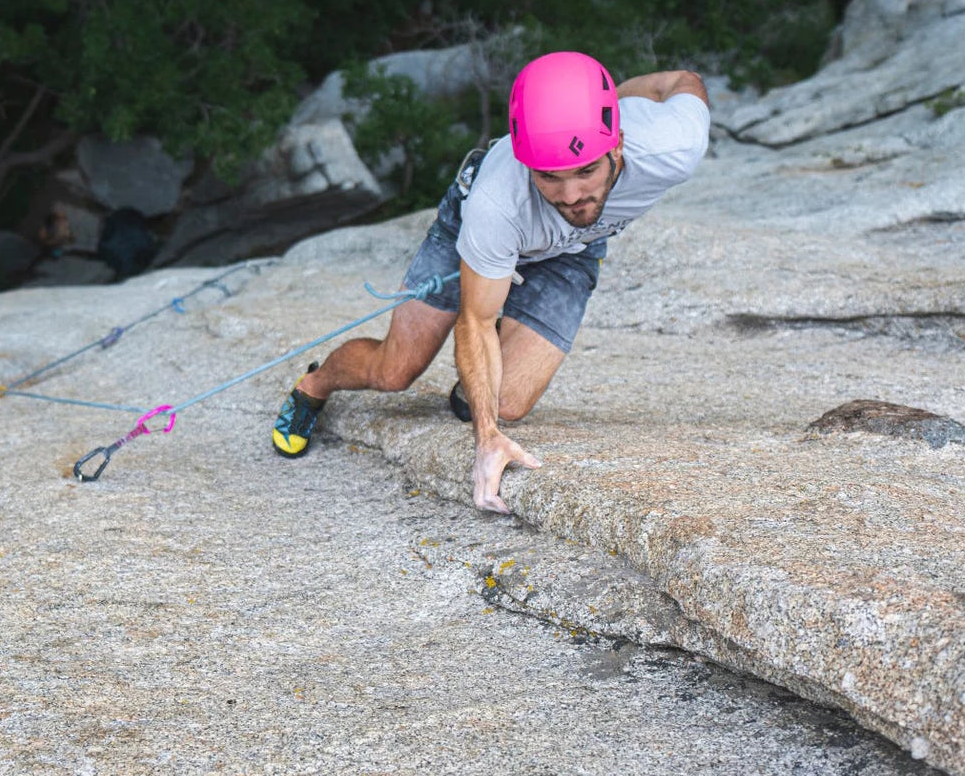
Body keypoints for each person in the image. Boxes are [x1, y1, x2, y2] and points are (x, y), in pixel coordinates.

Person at [272, 50, 710, 513]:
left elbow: (682, 80)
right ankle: (314, 386)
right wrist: (488, 438)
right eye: (549, 177)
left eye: (586, 171)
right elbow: (475, 319)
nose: (572, 196)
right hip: (483, 235)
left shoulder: (671, 145)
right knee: (395, 370)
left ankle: (476, 381)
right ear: (527, 165)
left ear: (617, 142)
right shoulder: (497, 202)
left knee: (508, 401)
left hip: (571, 252)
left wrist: (617, 97)